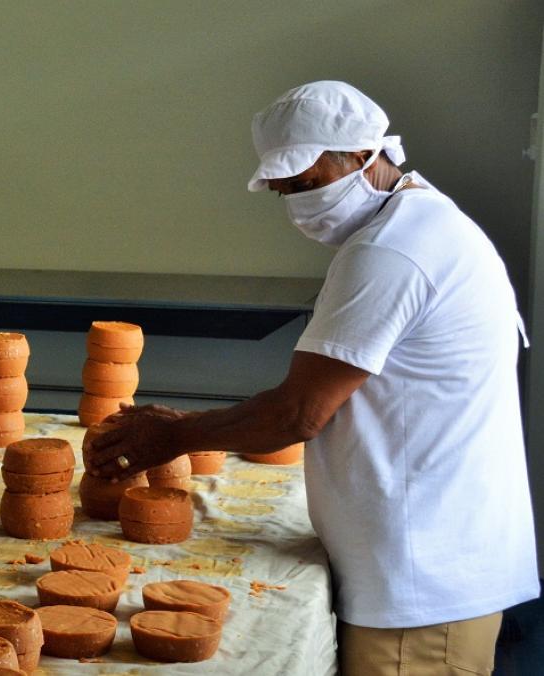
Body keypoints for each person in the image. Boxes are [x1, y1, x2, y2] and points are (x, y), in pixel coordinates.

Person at [86, 81, 538, 675]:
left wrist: (174, 434)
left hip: (420, 577)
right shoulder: (422, 220)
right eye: (285, 191)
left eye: (308, 183)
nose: (298, 203)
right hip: (427, 550)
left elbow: (297, 415)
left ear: (365, 155)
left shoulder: (392, 251)